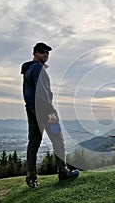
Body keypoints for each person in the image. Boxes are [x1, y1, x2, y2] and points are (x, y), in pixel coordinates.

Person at [21, 42, 79, 188]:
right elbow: (42, 93)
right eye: (42, 51)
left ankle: (31, 177)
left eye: (47, 52)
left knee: (33, 144)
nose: (45, 54)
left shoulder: (28, 70)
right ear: (34, 53)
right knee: (58, 140)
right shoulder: (38, 68)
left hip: (31, 111)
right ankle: (63, 172)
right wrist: (51, 112)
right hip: (44, 112)